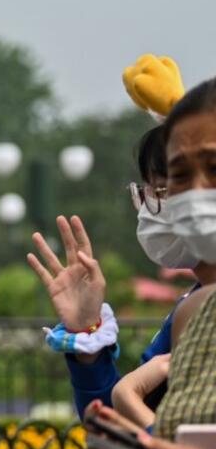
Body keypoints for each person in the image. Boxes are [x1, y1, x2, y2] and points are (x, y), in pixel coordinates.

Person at [26, 55, 202, 422]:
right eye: (156, 189)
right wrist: (85, 332)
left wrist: (129, 397)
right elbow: (115, 424)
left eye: (172, 186)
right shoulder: (191, 304)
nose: (160, 204)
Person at [85, 76, 216, 449]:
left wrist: (130, 401)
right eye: (177, 177)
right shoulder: (195, 311)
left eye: (214, 169)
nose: (195, 194)